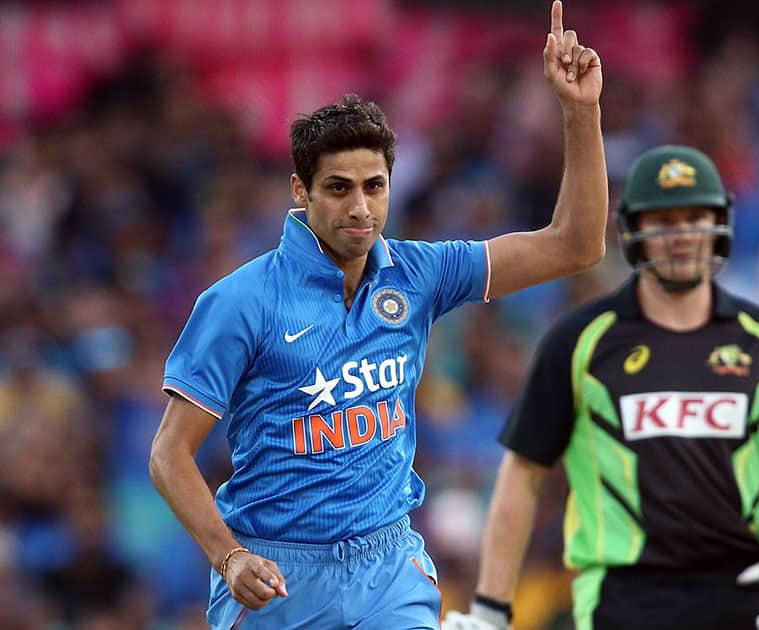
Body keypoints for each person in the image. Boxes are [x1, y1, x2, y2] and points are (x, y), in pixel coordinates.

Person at [147, 2, 605, 628]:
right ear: (301, 191)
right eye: (338, 188)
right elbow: (169, 455)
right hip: (279, 576)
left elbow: (576, 244)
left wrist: (581, 112)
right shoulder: (240, 302)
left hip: (390, 566)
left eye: (375, 186)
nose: (361, 207)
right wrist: (227, 557)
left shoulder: (420, 274)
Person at [444, 145, 759, 630]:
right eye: (664, 220)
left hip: (745, 592)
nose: (681, 235)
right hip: (621, 596)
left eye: (696, 217)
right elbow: (522, 474)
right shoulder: (580, 342)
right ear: (634, 229)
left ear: (721, 223)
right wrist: (491, 608)